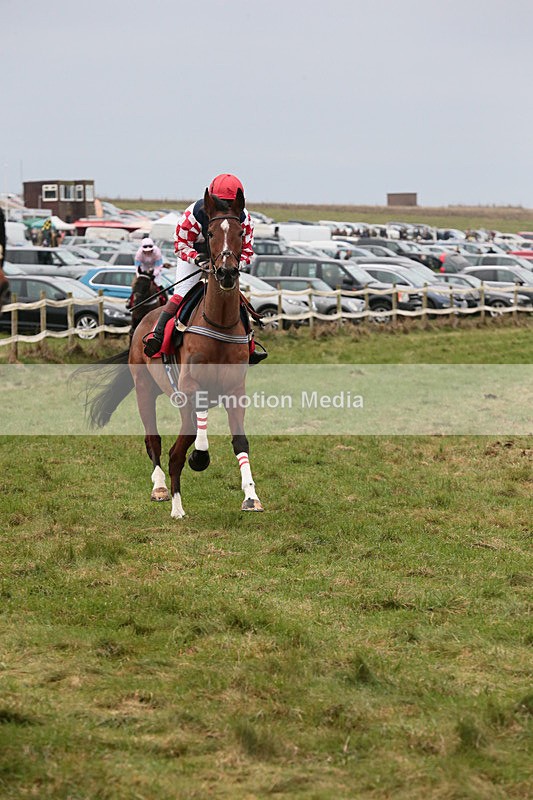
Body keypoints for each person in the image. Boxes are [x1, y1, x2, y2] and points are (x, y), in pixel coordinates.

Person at [143, 174, 264, 362]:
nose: (226, 208)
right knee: (181, 293)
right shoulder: (193, 215)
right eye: (221, 203)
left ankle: (249, 344)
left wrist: (233, 264)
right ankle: (158, 337)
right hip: (195, 255)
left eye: (231, 203)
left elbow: (248, 251)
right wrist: (197, 259)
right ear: (211, 201)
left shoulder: (245, 219)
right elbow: (180, 244)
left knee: (234, 299)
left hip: (226, 258)